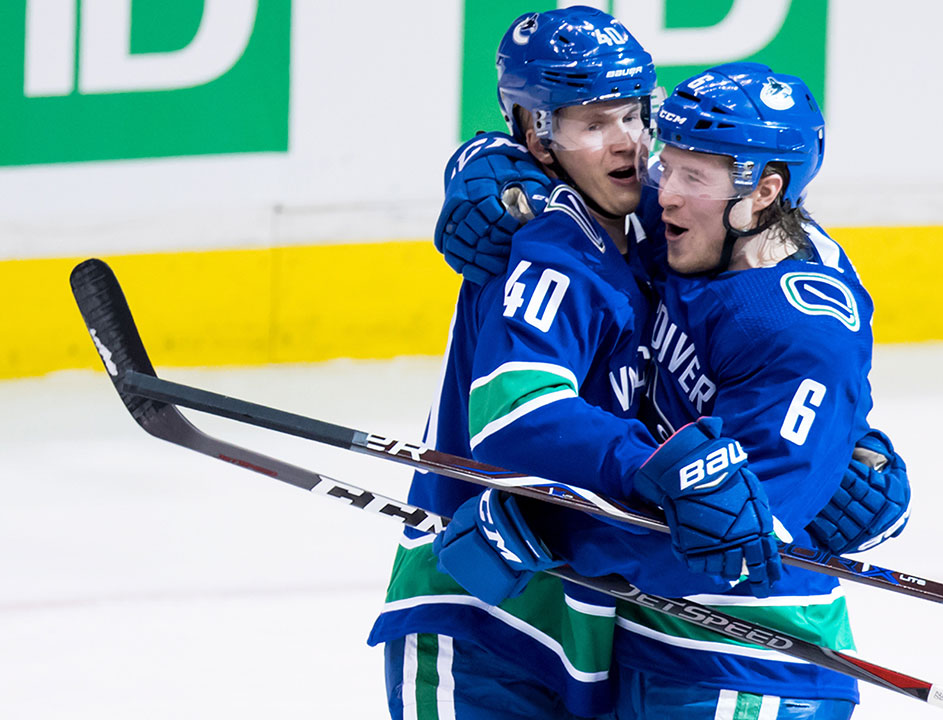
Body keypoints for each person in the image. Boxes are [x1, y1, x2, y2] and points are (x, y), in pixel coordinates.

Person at [431, 63, 914, 719]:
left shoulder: (802, 329)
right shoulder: (701, 229)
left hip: (750, 668)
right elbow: (567, 149)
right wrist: (483, 164)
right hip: (648, 655)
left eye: (694, 175)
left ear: (764, 191)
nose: (665, 192)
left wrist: (556, 529)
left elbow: (736, 540)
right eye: (668, 162)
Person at [367, 9, 782, 719]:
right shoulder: (544, 242)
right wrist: (652, 466)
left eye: (633, 114)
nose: (627, 142)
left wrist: (838, 438)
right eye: (592, 124)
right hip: (480, 611)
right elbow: (518, 414)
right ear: (535, 135)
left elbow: (768, 291)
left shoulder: (658, 225)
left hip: (587, 615)